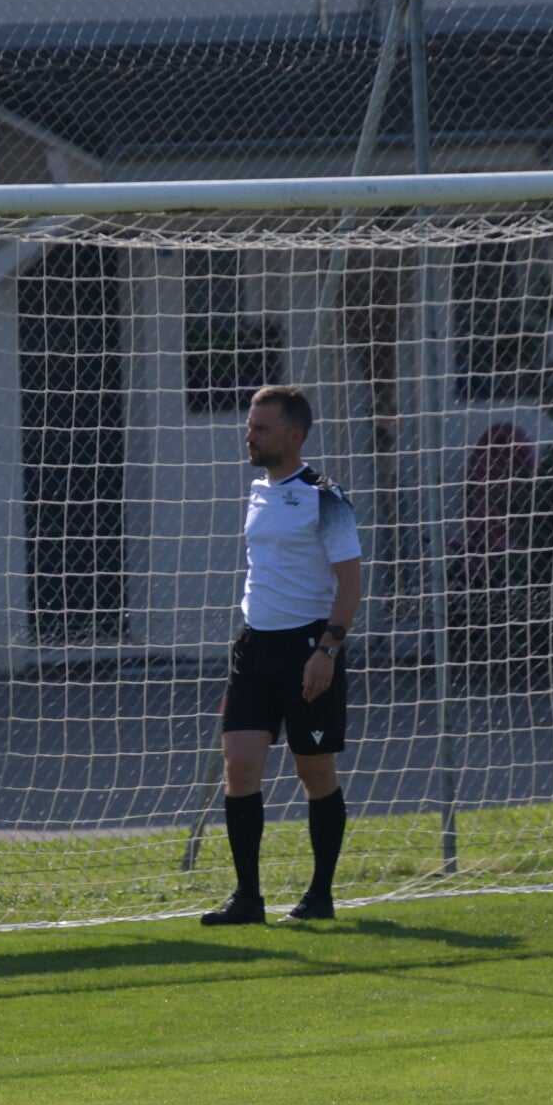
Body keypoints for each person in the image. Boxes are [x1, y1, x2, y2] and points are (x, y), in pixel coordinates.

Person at [203, 385, 364, 925]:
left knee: (314, 773)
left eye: (261, 428)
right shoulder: (257, 491)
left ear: (294, 436)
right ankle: (248, 899)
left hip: (308, 649)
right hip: (254, 648)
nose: (249, 435)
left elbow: (350, 585)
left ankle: (319, 897)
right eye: (250, 426)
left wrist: (326, 651)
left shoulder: (327, 498)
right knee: (239, 766)